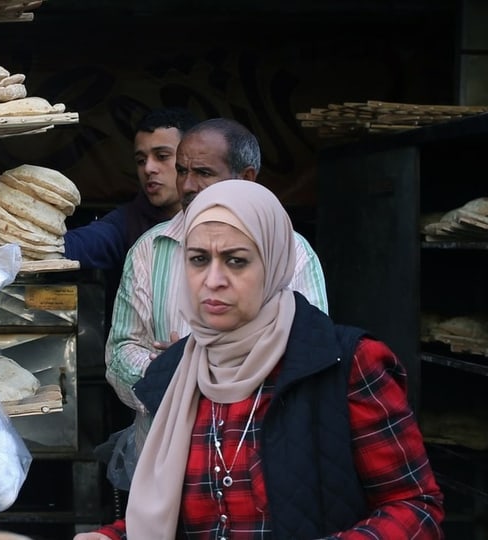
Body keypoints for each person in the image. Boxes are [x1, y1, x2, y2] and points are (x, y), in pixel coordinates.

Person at [103, 180, 444, 538]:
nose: (213, 280)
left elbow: (415, 507)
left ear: (274, 263)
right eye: (198, 259)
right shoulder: (176, 374)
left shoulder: (345, 364)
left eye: (236, 261)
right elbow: (165, 515)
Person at [105, 118, 328, 411]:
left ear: (246, 178)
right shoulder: (149, 249)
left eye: (203, 173)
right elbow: (120, 352)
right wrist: (166, 373)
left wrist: (204, 366)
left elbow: (312, 353)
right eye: (182, 171)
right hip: (166, 446)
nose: (187, 185)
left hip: (254, 443)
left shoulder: (293, 251)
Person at [62, 107, 199, 270]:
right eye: (141, 160)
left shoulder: (220, 215)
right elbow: (76, 245)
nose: (148, 168)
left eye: (162, 156)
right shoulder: (127, 222)